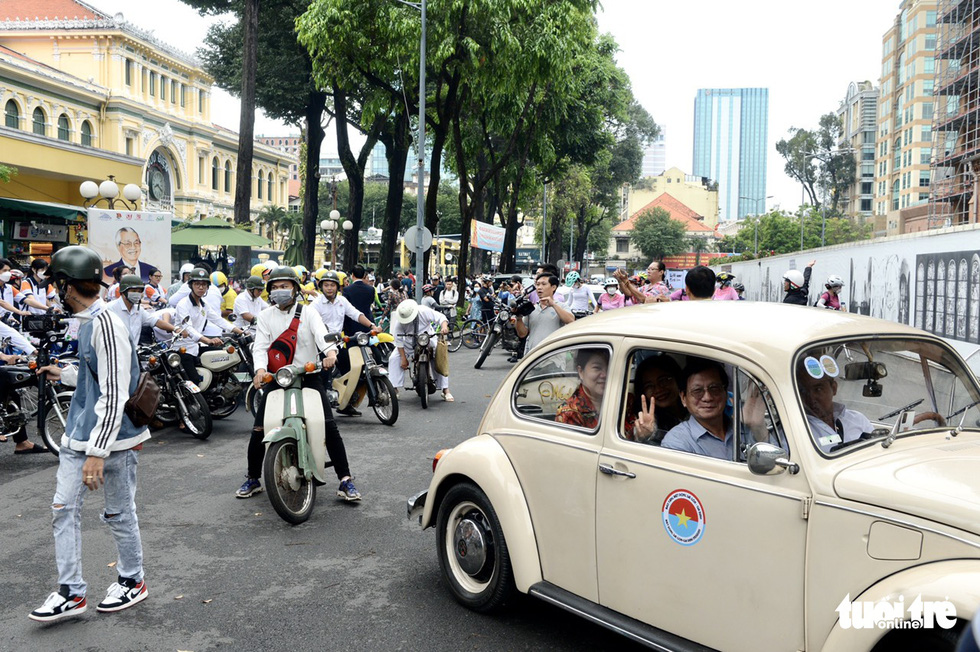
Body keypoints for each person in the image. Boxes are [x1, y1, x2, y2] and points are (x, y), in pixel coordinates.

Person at [29, 246, 150, 623]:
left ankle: (132, 580)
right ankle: (71, 592)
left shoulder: (107, 325)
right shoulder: (89, 323)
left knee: (117, 513)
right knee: (63, 510)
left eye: (56, 285)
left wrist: (98, 451)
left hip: (108, 441)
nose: (53, 293)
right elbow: (93, 378)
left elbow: (114, 392)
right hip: (77, 437)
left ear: (67, 285)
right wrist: (62, 374)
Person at [241, 266, 361, 501]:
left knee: (328, 425)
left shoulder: (308, 313)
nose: (279, 291)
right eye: (274, 288)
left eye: (284, 286)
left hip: (309, 375)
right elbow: (260, 347)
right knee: (258, 428)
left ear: (295, 288)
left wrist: (330, 353)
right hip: (277, 378)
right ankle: (253, 478)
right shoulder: (265, 316)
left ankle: (345, 480)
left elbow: (322, 336)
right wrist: (260, 370)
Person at [173, 268, 241, 384]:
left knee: (225, 356)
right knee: (194, 380)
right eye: (197, 284)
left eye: (204, 284)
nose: (201, 287)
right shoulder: (183, 304)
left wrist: (239, 331)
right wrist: (207, 340)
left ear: (208, 287)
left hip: (196, 347)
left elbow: (218, 319)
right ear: (190, 286)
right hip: (183, 350)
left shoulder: (204, 305)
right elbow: (188, 328)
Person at [661, 358, 734, 460]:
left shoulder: (743, 430)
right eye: (697, 391)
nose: (707, 398)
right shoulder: (677, 441)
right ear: (683, 398)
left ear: (725, 393)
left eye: (714, 388)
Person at [389, 299, 453, 401]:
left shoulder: (424, 311)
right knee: (393, 358)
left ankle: (445, 390)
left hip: (428, 338)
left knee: (440, 356)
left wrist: (444, 327)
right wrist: (403, 358)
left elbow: (440, 317)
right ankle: (394, 389)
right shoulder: (400, 320)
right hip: (409, 344)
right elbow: (398, 341)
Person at [624, 354, 688, 444]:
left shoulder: (697, 407)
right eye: (649, 386)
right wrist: (645, 435)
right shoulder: (649, 421)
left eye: (663, 380)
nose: (658, 389)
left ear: (677, 379)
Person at [513, 272, 575, 355]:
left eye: (543, 284)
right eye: (537, 284)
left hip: (553, 358)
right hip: (533, 358)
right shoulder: (532, 308)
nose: (539, 287)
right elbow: (522, 334)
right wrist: (518, 317)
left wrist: (553, 304)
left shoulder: (561, 306)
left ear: (553, 287)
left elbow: (571, 320)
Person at [106, 275, 174, 348]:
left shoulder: (139, 310)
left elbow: (156, 321)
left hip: (134, 352)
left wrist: (175, 329)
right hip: (115, 352)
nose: (137, 294)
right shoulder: (110, 308)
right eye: (134, 291)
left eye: (139, 291)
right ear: (123, 291)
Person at [555, 349, 608, 429]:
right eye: (597, 368)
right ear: (581, 372)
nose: (604, 375)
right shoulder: (570, 413)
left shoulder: (626, 402)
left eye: (610, 367)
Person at [342, 265, 377, 335]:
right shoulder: (371, 289)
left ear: (352, 275)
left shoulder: (347, 290)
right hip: (367, 323)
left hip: (351, 325)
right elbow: (371, 301)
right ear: (364, 275)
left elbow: (345, 306)